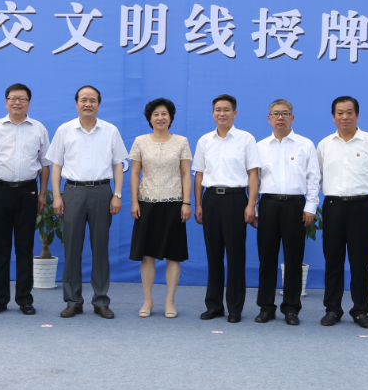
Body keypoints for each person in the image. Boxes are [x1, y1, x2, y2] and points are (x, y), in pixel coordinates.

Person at [46, 85, 128, 320]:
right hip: (73, 192)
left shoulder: (110, 130)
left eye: (92, 100)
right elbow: (56, 166)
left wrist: (117, 195)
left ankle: (101, 301)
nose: (88, 104)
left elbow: (118, 165)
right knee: (72, 247)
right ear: (76, 104)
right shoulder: (64, 130)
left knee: (100, 248)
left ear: (99, 104)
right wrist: (57, 196)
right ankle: (73, 301)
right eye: (83, 100)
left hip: (102, 192)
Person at [0, 83, 50, 316]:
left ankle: (24, 299)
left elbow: (45, 165)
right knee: (0, 247)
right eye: (12, 98)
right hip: (0, 191)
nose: (17, 102)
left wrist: (42, 193)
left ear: (29, 103)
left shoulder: (38, 129)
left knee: (24, 248)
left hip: (28, 191)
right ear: (6, 102)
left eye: (22, 99)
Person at [316, 96, 368, 329]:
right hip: (333, 206)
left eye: (349, 112)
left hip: (361, 207)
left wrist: (361, 198)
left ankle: (360, 310)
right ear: (333, 116)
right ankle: (332, 309)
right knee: (333, 260)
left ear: (357, 115)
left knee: (360, 261)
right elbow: (319, 177)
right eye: (340, 113)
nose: (345, 117)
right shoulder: (325, 144)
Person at [192, 94, 260, 323]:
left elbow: (253, 173)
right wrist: (198, 203)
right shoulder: (204, 141)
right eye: (218, 110)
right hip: (211, 199)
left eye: (227, 109)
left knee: (235, 256)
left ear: (235, 113)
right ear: (213, 113)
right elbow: (199, 174)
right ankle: (214, 306)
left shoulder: (246, 139)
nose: (222, 113)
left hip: (236, 200)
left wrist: (251, 204)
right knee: (213, 255)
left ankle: (235, 308)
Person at [254, 99, 320, 326]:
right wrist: (254, 208)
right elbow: (254, 181)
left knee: (294, 259)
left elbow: (313, 178)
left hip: (295, 206)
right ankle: (266, 307)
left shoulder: (305, 145)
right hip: (268, 205)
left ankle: (291, 308)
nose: (280, 117)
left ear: (292, 117)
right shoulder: (260, 147)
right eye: (275, 113)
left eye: (285, 113)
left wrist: (310, 207)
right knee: (266, 258)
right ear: (269, 118)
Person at [128, 98, 192, 319]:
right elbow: (134, 173)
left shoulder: (181, 141)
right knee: (147, 255)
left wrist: (186, 202)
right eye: (155, 114)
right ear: (149, 118)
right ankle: (148, 299)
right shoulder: (140, 141)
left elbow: (186, 174)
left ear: (171, 117)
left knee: (173, 255)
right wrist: (134, 201)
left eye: (164, 113)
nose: (160, 118)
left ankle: (170, 300)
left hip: (174, 204)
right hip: (146, 203)